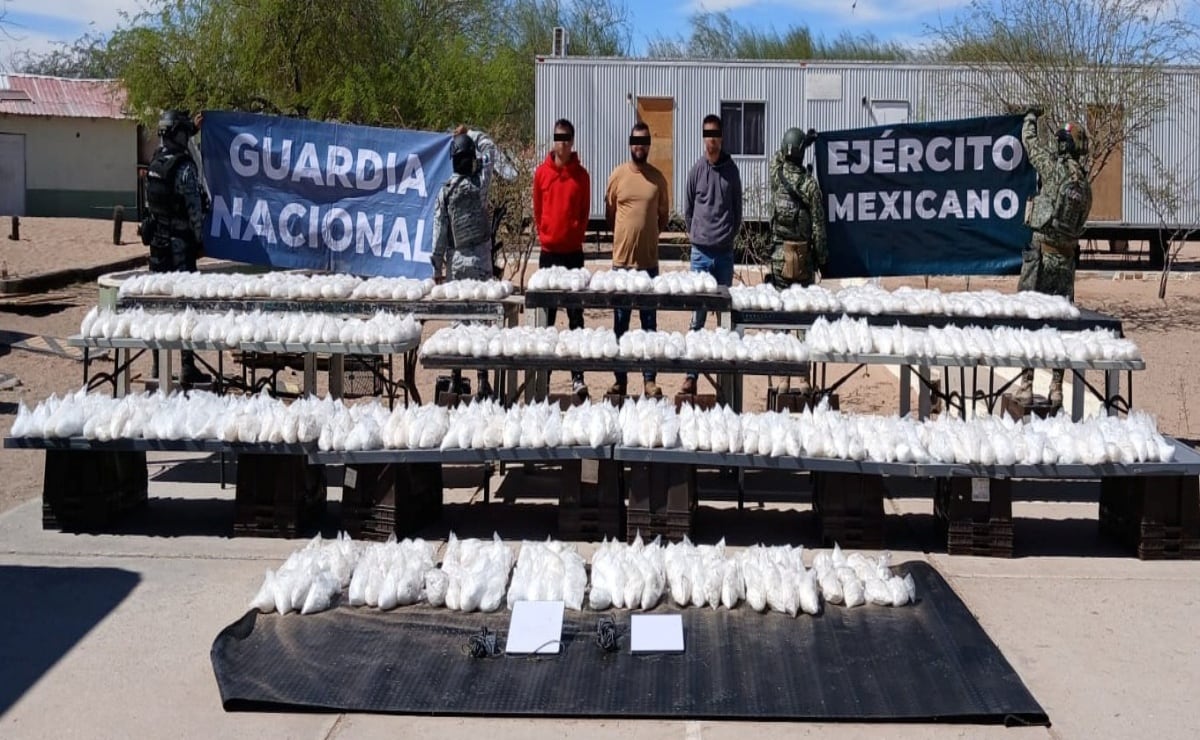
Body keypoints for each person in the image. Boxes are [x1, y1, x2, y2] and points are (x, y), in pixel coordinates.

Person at [1014, 107, 1092, 408]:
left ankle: (1026, 384)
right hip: (1066, 262)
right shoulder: (1084, 183)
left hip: (1041, 260)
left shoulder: (1052, 168)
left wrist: (1030, 117)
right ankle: (1057, 387)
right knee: (1061, 325)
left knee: (1030, 319)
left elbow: (1029, 142)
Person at [143, 109, 210, 385]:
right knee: (186, 306)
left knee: (159, 306)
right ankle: (187, 365)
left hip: (158, 246)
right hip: (180, 247)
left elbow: (150, 205)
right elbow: (194, 211)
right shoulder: (184, 168)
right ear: (177, 134)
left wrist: (192, 128)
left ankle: (158, 366)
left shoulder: (155, 163)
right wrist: (200, 241)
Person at [605, 121, 670, 398]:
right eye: (636, 141)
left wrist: (648, 235)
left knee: (649, 326)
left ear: (648, 146)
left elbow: (663, 218)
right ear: (630, 143)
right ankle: (620, 380)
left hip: (648, 266)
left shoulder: (658, 180)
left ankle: (649, 380)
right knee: (620, 324)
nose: (639, 146)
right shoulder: (617, 176)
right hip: (621, 265)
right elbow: (610, 214)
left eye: (644, 141)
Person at [680, 113, 743, 396]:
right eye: (707, 135)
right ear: (703, 138)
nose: (712, 140)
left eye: (716, 135)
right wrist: (697, 236)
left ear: (722, 138)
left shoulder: (732, 172)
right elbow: (688, 210)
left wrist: (727, 236)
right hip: (700, 255)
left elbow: (738, 212)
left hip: (724, 256)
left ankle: (723, 380)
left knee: (724, 319)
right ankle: (691, 376)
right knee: (697, 318)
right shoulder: (696, 170)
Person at [431, 130, 496, 398]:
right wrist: (472, 133)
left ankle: (456, 379)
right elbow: (490, 151)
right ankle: (482, 379)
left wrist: (437, 267)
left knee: (458, 321)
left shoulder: (445, 192)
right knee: (481, 322)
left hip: (456, 263)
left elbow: (439, 233)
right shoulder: (480, 185)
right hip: (481, 262)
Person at [533, 118, 591, 399]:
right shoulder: (541, 174)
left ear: (573, 140)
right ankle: (543, 378)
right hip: (549, 255)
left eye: (567, 137)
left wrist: (575, 233)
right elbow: (537, 209)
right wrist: (545, 234)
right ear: (554, 140)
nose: (563, 143)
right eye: (559, 137)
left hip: (573, 256)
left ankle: (577, 376)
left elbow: (584, 212)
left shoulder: (582, 176)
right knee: (547, 319)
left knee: (575, 317)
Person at [768, 126, 825, 395]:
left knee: (782, 318)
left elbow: (778, 157)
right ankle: (803, 377)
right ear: (802, 154)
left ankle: (783, 377)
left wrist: (798, 145)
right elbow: (818, 227)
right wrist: (822, 259)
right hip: (803, 261)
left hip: (780, 259)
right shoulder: (810, 186)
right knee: (803, 318)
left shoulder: (776, 176)